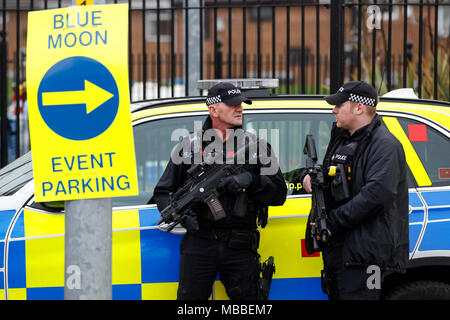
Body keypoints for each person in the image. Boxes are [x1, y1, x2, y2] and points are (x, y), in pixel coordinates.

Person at [154, 82, 287, 300]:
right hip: (199, 242)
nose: (240, 108)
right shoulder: (189, 146)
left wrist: (251, 180)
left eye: (241, 104)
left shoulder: (257, 147)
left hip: (240, 244)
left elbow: (279, 194)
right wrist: (184, 218)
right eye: (233, 104)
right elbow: (162, 192)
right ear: (213, 109)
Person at [303, 81, 409, 300]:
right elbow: (334, 177)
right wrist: (309, 178)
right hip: (340, 251)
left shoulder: (385, 145)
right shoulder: (343, 139)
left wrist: (333, 222)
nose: (333, 109)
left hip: (364, 256)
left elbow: (376, 195)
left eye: (339, 105)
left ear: (359, 108)